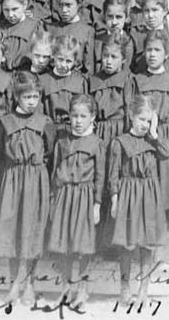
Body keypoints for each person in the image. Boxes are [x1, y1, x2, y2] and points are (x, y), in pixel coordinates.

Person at [0, 70, 56, 306]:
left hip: (35, 180)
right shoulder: (5, 122)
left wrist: (35, 171)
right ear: (17, 97)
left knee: (31, 231)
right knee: (12, 231)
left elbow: (48, 151)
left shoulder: (45, 122)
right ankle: (13, 284)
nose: (32, 102)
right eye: (27, 97)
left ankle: (28, 283)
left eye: (36, 97)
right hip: (12, 179)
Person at [109, 94, 169, 305]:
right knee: (127, 244)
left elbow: (167, 153)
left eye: (148, 120)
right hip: (128, 194)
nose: (144, 125)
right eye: (141, 119)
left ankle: (144, 289)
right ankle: (125, 286)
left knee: (147, 244)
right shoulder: (120, 142)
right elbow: (113, 174)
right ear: (131, 116)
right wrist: (115, 199)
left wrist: (154, 134)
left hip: (149, 195)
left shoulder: (153, 141)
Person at [48, 94, 106, 311]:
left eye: (83, 116)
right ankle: (65, 287)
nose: (78, 121)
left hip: (85, 197)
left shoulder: (97, 143)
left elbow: (100, 176)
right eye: (74, 116)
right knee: (64, 244)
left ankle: (82, 289)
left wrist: (97, 204)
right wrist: (53, 199)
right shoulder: (63, 141)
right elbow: (55, 171)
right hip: (64, 195)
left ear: (92, 118)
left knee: (83, 245)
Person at [132, 29, 169, 217]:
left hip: (165, 136)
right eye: (149, 50)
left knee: (165, 184)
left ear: (167, 54)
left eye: (157, 50)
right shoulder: (137, 80)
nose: (152, 54)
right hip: (144, 136)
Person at [40, 34, 88, 139]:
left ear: (75, 61)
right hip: (49, 131)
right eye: (60, 59)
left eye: (68, 61)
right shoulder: (43, 80)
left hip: (73, 131)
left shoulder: (80, 81)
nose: (63, 65)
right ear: (53, 56)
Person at [0, 0, 38, 70]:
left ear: (25, 5)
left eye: (15, 9)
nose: (10, 15)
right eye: (6, 10)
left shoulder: (34, 27)